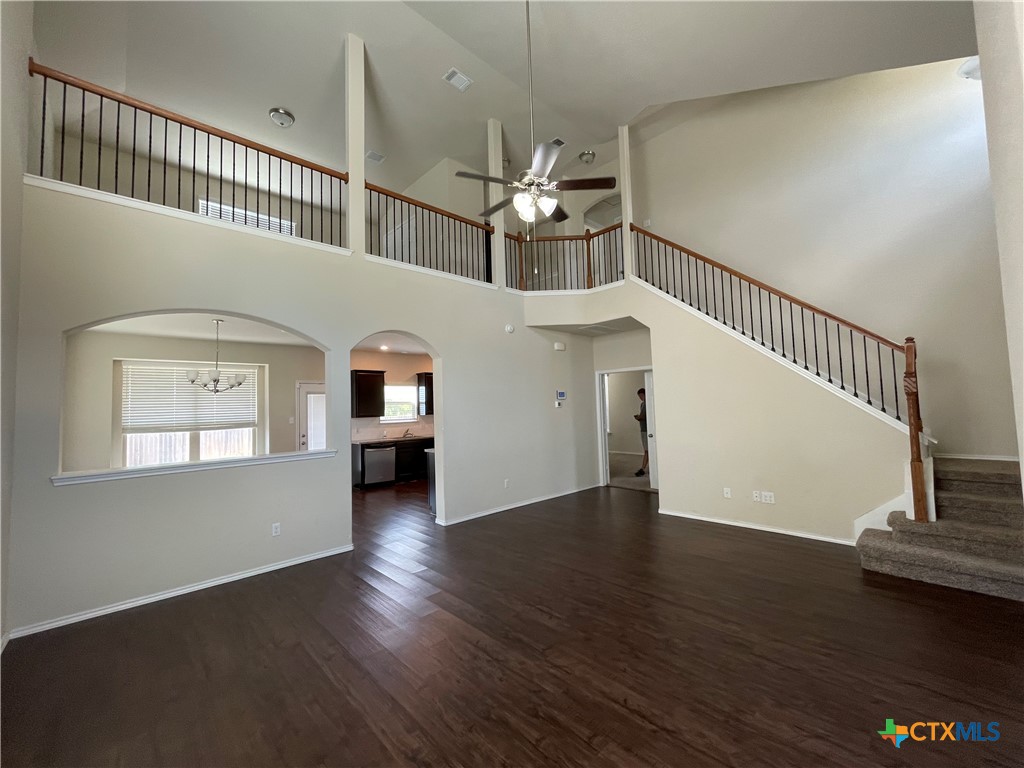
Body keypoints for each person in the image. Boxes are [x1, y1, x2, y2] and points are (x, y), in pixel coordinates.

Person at [633, 388, 648, 476]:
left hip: (647, 430)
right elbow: (642, 417)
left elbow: (643, 416)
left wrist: (638, 417)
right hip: (643, 429)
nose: (640, 398)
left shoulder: (647, 404)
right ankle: (643, 468)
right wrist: (639, 417)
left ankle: (643, 468)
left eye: (641, 396)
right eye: (639, 396)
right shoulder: (642, 404)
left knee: (647, 450)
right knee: (646, 450)